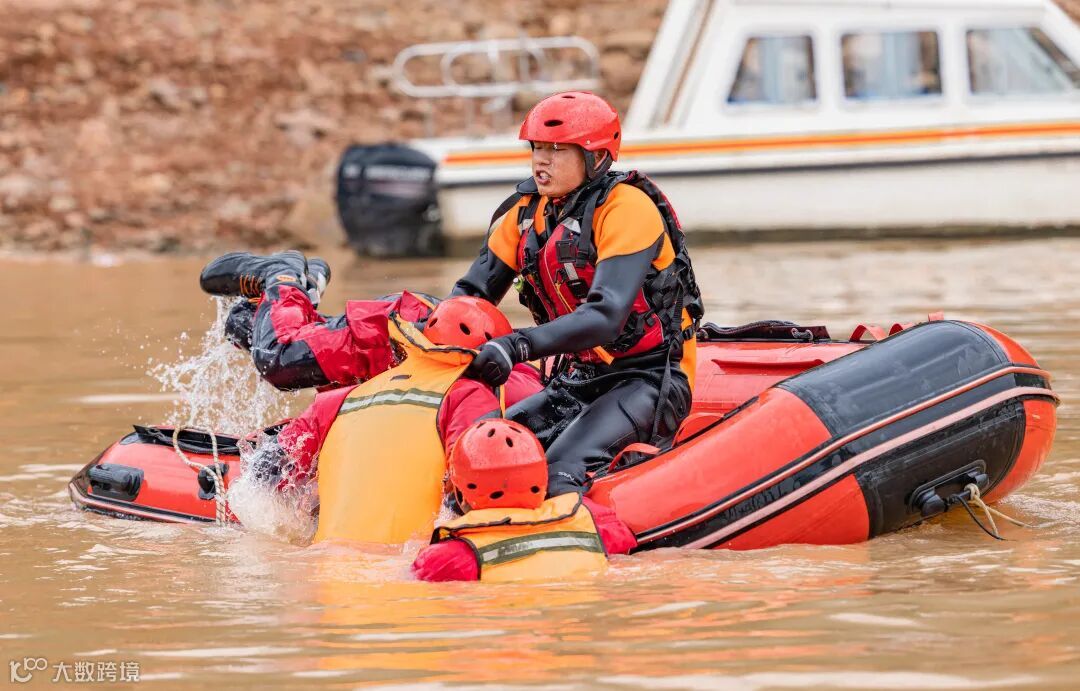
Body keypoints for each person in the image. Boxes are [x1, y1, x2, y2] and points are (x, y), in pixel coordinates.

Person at [450, 91, 704, 497]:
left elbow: (606, 316)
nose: (541, 161)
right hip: (577, 379)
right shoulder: (526, 214)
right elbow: (470, 295)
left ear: (596, 157)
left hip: (650, 379)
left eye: (557, 150)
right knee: (476, 456)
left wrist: (516, 346)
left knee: (558, 473)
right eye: (536, 147)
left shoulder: (627, 208)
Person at [198, 252, 543, 543]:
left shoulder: (476, 391)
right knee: (279, 358)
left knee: (256, 333)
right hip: (397, 326)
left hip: (430, 333)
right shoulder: (459, 390)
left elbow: (266, 474)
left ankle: (299, 298)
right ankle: (283, 275)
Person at [412, 419, 637, 582]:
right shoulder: (592, 520)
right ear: (542, 478)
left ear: (461, 495)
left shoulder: (447, 558)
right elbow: (624, 540)